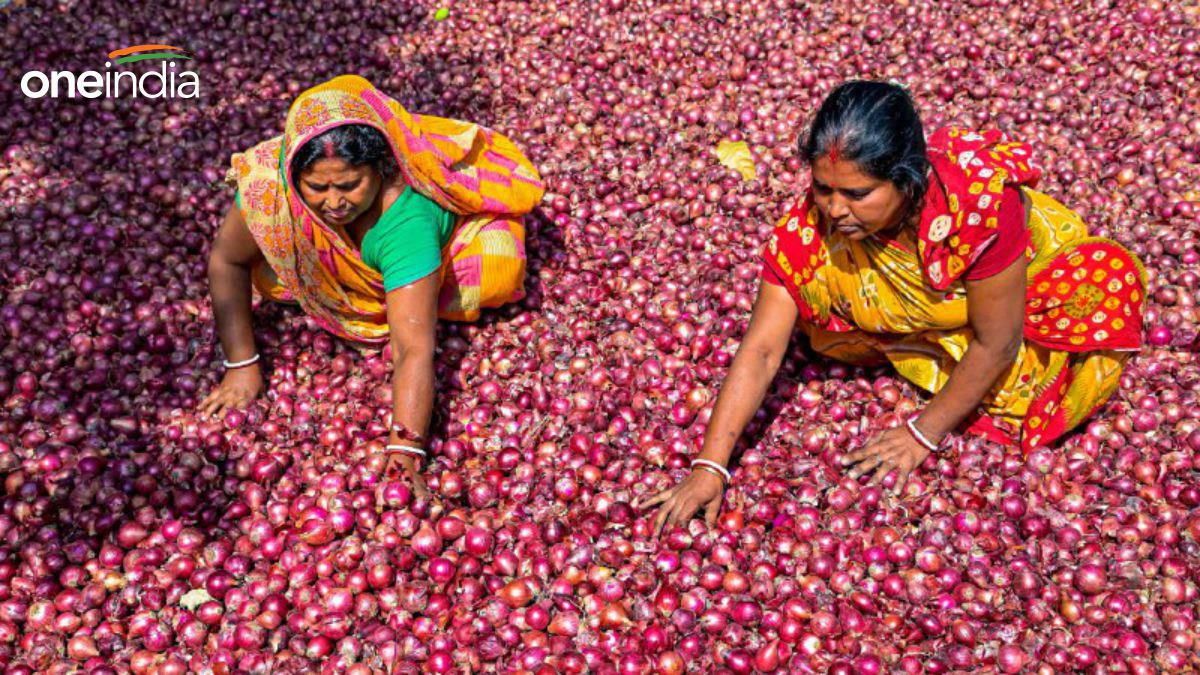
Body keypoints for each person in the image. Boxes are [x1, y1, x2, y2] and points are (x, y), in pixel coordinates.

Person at [640, 81, 1145, 533]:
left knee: (1030, 387)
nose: (835, 209)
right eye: (823, 188)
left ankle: (929, 334)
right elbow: (764, 350)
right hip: (935, 311)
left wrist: (921, 435)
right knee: (820, 324)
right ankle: (920, 332)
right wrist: (710, 466)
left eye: (858, 194)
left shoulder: (978, 207)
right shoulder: (810, 227)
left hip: (1023, 294)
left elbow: (999, 341)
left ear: (905, 179)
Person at [201, 75, 544, 496]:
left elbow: (411, 347)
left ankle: (413, 280)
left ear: (380, 171)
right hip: (352, 261)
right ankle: (385, 288)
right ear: (293, 173)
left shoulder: (405, 219)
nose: (333, 202)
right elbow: (227, 260)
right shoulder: (270, 190)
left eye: (349, 185)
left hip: (424, 247)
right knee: (269, 272)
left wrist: (405, 449)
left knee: (493, 274)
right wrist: (241, 364)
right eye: (317, 187)